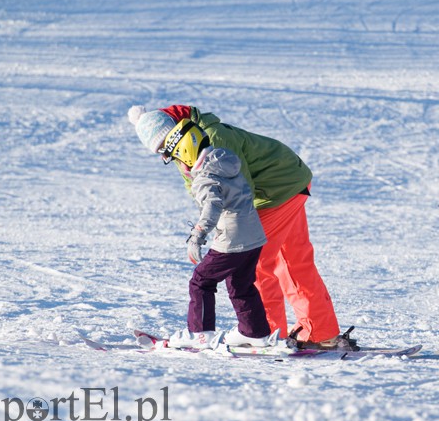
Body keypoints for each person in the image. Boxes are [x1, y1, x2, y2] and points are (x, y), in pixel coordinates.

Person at [128, 105, 351, 349]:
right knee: (293, 261)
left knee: (253, 260)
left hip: (273, 191)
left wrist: (221, 231)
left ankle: (262, 332)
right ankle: (320, 331)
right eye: (159, 151)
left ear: (172, 132)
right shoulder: (187, 141)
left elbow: (239, 190)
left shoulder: (210, 138)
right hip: (289, 182)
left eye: (164, 147)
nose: (165, 155)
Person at [132, 114, 277, 349]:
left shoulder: (204, 177)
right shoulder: (225, 162)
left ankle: (200, 333)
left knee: (201, 281)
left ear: (184, 152)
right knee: (241, 285)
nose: (178, 165)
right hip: (254, 235)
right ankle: (255, 332)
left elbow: (212, 205)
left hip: (232, 239)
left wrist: (197, 235)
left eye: (174, 157)